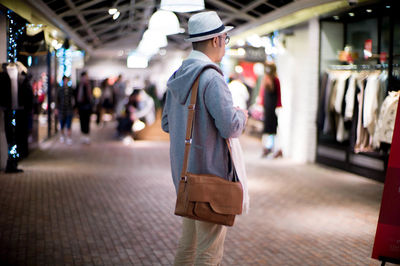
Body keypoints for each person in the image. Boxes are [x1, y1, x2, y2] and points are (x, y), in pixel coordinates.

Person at [161, 11, 248, 265]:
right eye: (225, 38)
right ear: (215, 41)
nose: (225, 44)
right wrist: (241, 114)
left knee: (189, 247)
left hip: (186, 177)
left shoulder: (178, 77)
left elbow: (167, 124)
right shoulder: (212, 78)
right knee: (209, 252)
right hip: (209, 179)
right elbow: (230, 127)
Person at [259, 62, 282, 158]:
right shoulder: (265, 79)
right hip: (267, 107)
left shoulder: (275, 80)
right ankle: (267, 148)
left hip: (272, 108)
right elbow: (263, 93)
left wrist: (278, 105)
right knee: (267, 128)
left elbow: (278, 93)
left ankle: (272, 148)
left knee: (273, 129)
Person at [56, 76, 74, 145]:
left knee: (69, 125)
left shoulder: (70, 89)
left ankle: (69, 138)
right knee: (62, 124)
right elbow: (57, 99)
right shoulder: (60, 90)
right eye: (65, 80)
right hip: (61, 109)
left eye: (67, 80)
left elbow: (73, 99)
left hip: (69, 110)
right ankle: (62, 136)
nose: (66, 81)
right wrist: (57, 108)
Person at [76, 72, 92, 144]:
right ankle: (83, 135)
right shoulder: (79, 86)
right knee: (82, 121)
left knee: (87, 121)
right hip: (81, 107)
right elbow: (76, 97)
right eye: (84, 77)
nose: (85, 78)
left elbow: (91, 97)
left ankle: (87, 135)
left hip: (88, 107)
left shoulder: (89, 85)